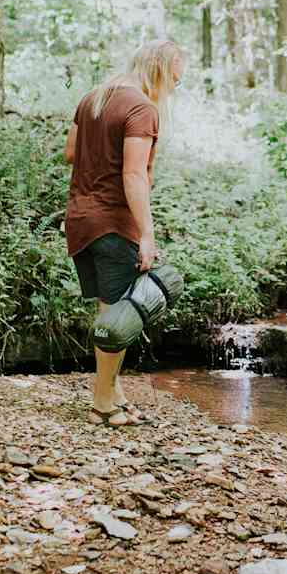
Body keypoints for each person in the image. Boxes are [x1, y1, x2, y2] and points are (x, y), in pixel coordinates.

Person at [64, 39, 186, 426]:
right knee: (120, 314)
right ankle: (102, 402)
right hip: (114, 221)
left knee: (108, 307)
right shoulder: (141, 108)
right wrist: (147, 235)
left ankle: (113, 390)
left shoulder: (92, 98)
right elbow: (133, 174)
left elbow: (70, 152)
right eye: (174, 80)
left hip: (81, 219)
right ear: (159, 70)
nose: (172, 89)